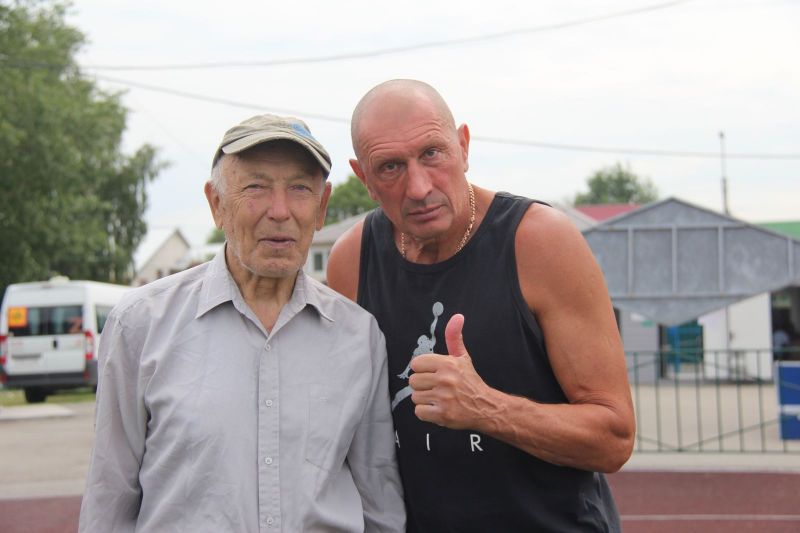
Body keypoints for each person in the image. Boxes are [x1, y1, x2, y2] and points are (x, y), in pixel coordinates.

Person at [327, 80, 636, 532]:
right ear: (364, 179)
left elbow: (614, 439)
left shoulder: (540, 242)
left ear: (464, 146)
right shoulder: (352, 260)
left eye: (432, 153)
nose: (418, 187)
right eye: (390, 167)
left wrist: (486, 407)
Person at [79, 114, 405, 532]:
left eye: (300, 188)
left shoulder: (358, 335)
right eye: (256, 187)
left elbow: (379, 501)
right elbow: (109, 498)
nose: (280, 211)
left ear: (321, 208)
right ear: (216, 204)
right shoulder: (140, 324)